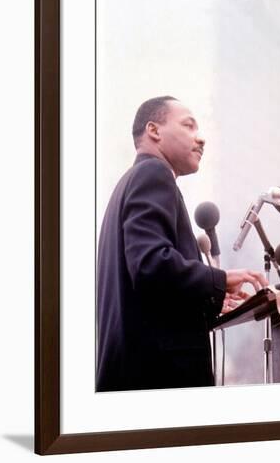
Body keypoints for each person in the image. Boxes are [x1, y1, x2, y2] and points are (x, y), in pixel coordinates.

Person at [96, 96, 268, 391]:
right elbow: (151, 264)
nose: (201, 138)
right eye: (188, 126)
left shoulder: (129, 183)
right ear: (154, 130)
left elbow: (147, 287)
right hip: (158, 383)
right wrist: (221, 279)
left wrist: (208, 298)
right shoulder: (154, 174)